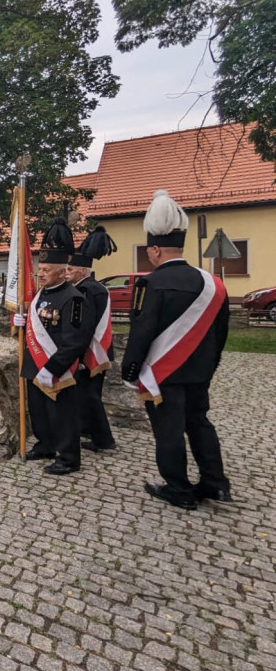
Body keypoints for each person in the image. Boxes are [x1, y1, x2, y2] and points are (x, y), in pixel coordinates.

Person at [121, 190, 231, 511]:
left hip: (164, 376)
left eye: (148, 250)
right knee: (199, 423)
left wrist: (131, 370)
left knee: (169, 432)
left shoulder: (151, 284)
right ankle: (215, 483)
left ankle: (179, 489)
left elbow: (141, 334)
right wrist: (210, 365)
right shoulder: (212, 284)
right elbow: (221, 332)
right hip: (199, 372)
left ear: (156, 249)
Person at [12, 218, 95, 475]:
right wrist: (22, 323)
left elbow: (76, 340)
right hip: (35, 364)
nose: (41, 273)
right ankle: (46, 444)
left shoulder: (74, 299)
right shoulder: (40, 295)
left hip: (59, 368)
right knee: (39, 411)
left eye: (47, 269)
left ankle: (69, 457)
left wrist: (53, 367)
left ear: (62, 271)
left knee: (62, 414)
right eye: (40, 268)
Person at [67, 226, 118, 453]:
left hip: (91, 350)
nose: (66, 272)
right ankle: (87, 429)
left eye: (70, 269)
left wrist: (79, 354)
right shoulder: (96, 287)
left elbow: (84, 326)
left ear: (81, 271)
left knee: (89, 397)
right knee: (88, 394)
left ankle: (104, 440)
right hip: (100, 349)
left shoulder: (85, 291)